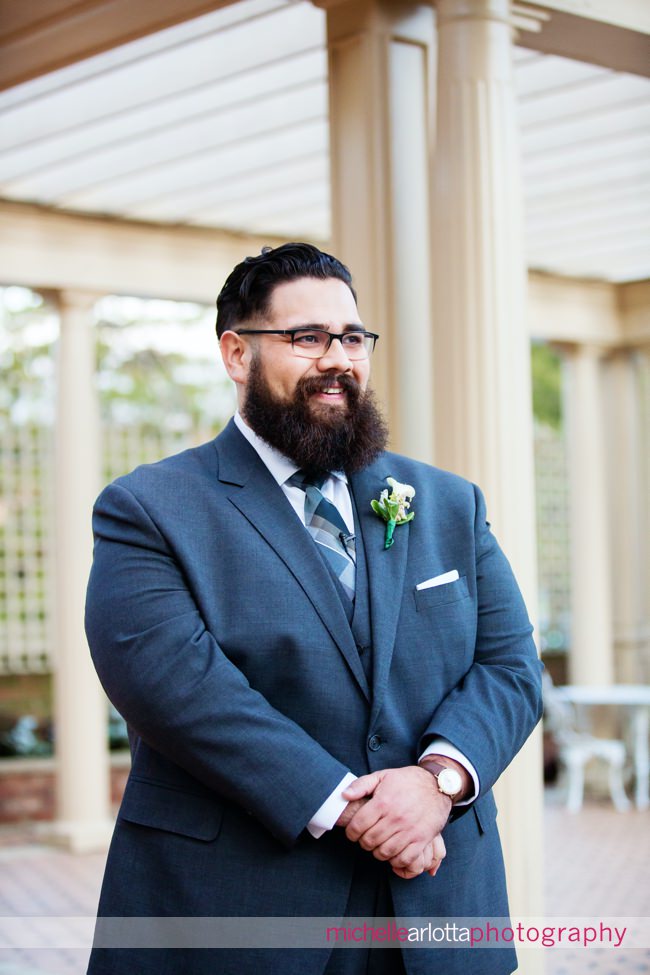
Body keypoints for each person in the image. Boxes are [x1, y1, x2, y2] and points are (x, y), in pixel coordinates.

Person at [85, 242, 543, 975]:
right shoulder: (149, 508)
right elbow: (178, 687)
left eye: (353, 337)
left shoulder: (449, 503)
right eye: (307, 338)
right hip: (237, 911)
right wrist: (361, 810)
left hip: (436, 906)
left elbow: (511, 666)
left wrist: (438, 781)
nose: (339, 358)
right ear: (237, 354)